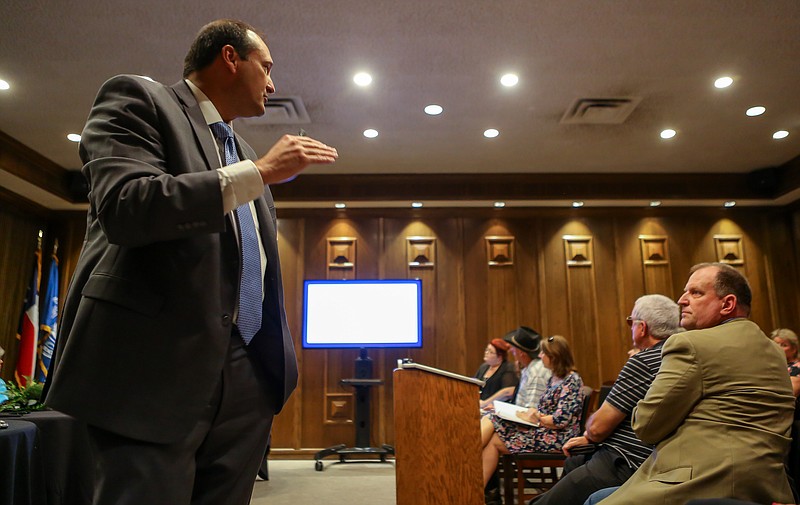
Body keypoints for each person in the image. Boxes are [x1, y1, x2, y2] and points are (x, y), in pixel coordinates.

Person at [43, 19, 337, 505]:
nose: (273, 82)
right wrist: (260, 172)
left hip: (247, 380)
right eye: (265, 67)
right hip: (153, 372)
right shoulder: (140, 100)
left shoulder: (238, 149)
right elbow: (126, 206)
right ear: (229, 58)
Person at [596, 262, 795, 505]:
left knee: (597, 501)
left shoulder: (691, 344)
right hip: (766, 485)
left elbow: (647, 427)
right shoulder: (775, 351)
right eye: (685, 291)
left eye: (696, 292)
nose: (681, 300)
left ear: (728, 304)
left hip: (700, 481)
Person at [531, 294, 682, 505]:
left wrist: (590, 435)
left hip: (624, 460)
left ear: (642, 328)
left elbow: (598, 428)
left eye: (631, 322)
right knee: (574, 462)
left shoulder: (643, 361)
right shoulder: (678, 355)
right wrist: (589, 437)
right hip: (653, 457)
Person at [481, 335, 584, 486]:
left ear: (553, 357)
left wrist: (536, 416)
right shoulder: (554, 378)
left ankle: (466, 456)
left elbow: (560, 420)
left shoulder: (572, 380)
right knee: (493, 430)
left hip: (558, 437)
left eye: (543, 353)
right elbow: (544, 410)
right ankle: (475, 493)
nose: (540, 356)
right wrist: (530, 415)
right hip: (543, 429)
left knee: (492, 420)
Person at [479, 326, 551, 411]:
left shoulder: (536, 372)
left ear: (521, 353)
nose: (511, 351)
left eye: (513, 349)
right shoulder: (528, 369)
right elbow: (520, 405)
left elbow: (531, 411)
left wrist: (502, 410)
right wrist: (499, 408)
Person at [772, 328, 800, 398]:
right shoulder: (774, 366)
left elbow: (790, 394)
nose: (778, 348)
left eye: (784, 345)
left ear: (794, 349)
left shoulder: (797, 367)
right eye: (775, 344)